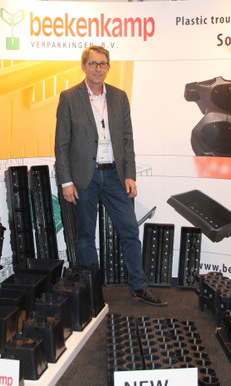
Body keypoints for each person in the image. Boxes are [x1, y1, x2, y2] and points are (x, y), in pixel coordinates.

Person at [55, 45, 166, 306]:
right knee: (86, 236)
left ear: (108, 67)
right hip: (84, 177)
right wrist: (66, 182)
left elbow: (127, 138)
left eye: (102, 64)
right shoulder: (69, 97)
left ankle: (138, 286)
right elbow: (61, 143)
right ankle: (92, 292)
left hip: (115, 175)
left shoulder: (119, 96)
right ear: (84, 66)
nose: (98, 69)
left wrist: (130, 175)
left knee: (129, 230)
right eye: (93, 63)